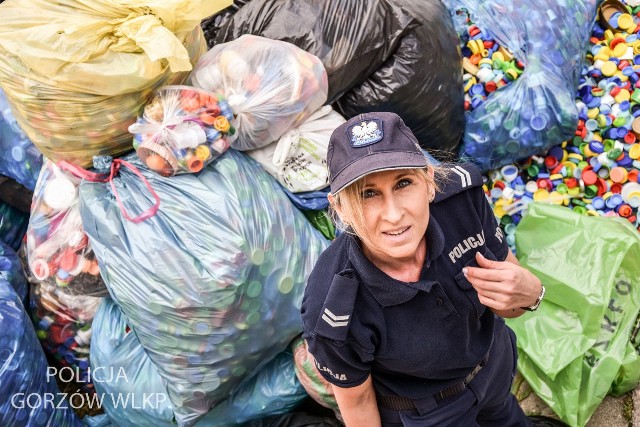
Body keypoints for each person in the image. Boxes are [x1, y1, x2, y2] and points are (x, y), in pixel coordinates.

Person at [300, 112, 546, 426]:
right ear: (340, 208)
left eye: (403, 183)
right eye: (368, 194)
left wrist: (532, 294)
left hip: (494, 366)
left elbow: (514, 305)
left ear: (429, 181)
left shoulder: (462, 201)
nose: (393, 214)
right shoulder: (332, 308)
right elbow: (358, 402)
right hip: (431, 414)